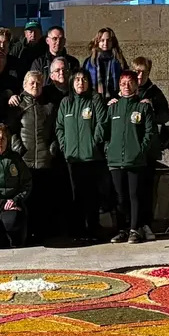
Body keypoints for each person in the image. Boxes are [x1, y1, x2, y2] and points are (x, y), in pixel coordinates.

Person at [56, 71, 108, 241]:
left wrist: (93, 143)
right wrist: (65, 147)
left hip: (92, 158)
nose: (80, 82)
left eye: (84, 79)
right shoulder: (66, 102)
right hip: (72, 158)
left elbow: (103, 123)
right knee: (75, 196)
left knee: (92, 196)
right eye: (77, 79)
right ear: (72, 82)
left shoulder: (95, 100)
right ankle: (77, 231)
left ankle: (93, 229)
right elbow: (60, 127)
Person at [8, 71, 59, 240]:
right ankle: (26, 233)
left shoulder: (49, 105)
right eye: (31, 83)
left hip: (45, 159)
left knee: (44, 199)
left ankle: (43, 232)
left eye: (38, 83)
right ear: (24, 85)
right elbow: (11, 130)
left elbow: (55, 130)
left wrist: (52, 148)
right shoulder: (18, 105)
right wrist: (19, 150)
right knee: (27, 199)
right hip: (25, 160)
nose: (35, 86)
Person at [107, 71, 155, 244]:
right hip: (115, 160)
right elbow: (105, 131)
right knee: (120, 197)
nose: (126, 86)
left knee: (134, 194)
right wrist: (108, 149)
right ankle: (122, 229)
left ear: (136, 85)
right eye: (122, 83)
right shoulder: (113, 107)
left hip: (135, 159)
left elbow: (150, 132)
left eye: (130, 82)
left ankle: (135, 229)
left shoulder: (143, 107)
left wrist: (140, 150)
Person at [133, 57, 169, 234]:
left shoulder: (154, 92)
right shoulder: (127, 88)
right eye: (137, 72)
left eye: (144, 72)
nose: (140, 75)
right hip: (131, 146)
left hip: (148, 148)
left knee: (147, 188)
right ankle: (132, 224)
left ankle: (147, 223)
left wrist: (151, 111)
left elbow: (166, 116)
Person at [83, 27, 127, 100]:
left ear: (112, 42)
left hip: (116, 99)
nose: (105, 43)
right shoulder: (90, 62)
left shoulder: (119, 60)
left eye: (108, 40)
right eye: (102, 40)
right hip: (95, 100)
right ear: (97, 42)